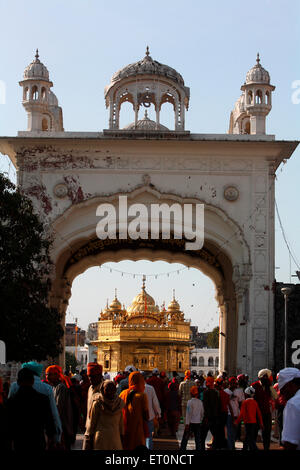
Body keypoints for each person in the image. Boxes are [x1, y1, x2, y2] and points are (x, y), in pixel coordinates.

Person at [8, 361, 62, 445]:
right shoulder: (46, 389)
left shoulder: (14, 387)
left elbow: (9, 413)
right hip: (38, 437)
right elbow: (53, 413)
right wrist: (56, 436)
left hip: (18, 437)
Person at [85, 380, 124, 450]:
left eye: (112, 389)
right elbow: (92, 424)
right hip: (109, 440)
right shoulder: (119, 404)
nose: (110, 392)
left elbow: (121, 424)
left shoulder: (119, 403)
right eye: (108, 389)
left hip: (108, 441)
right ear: (102, 390)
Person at [46, 365, 74, 450]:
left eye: (49, 374)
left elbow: (58, 408)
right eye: (47, 374)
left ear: (57, 375)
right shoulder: (53, 387)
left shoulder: (61, 387)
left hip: (62, 426)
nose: (47, 377)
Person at [119, 371, 149, 450]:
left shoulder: (123, 394)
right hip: (137, 431)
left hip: (125, 429)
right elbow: (146, 416)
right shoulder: (142, 396)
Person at [251, 368, 277, 451]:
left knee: (267, 433)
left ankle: (266, 448)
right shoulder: (254, 386)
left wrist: (270, 386)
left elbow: (275, 396)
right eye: (266, 377)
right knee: (254, 432)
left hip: (266, 413)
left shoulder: (269, 387)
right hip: (256, 413)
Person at [234, 386, 264, 450]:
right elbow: (259, 414)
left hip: (247, 422)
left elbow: (241, 413)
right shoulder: (255, 402)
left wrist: (236, 422)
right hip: (254, 422)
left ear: (246, 394)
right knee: (249, 436)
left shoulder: (245, 403)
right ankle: (245, 448)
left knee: (249, 437)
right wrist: (261, 423)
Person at [277, 367, 300, 450]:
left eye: (283, 391)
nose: (282, 395)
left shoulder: (293, 404)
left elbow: (290, 444)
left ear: (289, 384)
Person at [82, 362, 103, 450]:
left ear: (99, 376)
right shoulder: (90, 389)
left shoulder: (104, 389)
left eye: (93, 376)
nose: (90, 379)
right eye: (89, 376)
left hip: (100, 432)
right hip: (88, 430)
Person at [180, 386, 204, 451]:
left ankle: (182, 449)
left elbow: (188, 413)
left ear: (191, 393)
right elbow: (202, 413)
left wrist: (187, 424)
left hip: (191, 423)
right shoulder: (200, 402)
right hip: (198, 423)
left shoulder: (190, 402)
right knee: (198, 439)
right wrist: (200, 420)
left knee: (185, 438)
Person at [201, 376, 222, 450]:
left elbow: (205, 405)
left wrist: (205, 416)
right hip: (215, 416)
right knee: (215, 434)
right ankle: (214, 447)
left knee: (203, 435)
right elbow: (219, 405)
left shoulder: (206, 392)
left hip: (208, 417)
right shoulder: (216, 392)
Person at [143, 373, 161, 450]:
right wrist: (158, 413)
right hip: (149, 416)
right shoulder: (150, 388)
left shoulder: (134, 388)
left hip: (137, 417)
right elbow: (155, 402)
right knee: (149, 436)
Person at [224, 377, 241, 450]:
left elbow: (240, 402)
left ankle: (232, 445)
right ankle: (231, 447)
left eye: (236, 383)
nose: (235, 385)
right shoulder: (225, 391)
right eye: (233, 383)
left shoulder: (239, 392)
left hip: (236, 414)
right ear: (230, 384)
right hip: (229, 414)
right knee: (230, 432)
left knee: (234, 432)